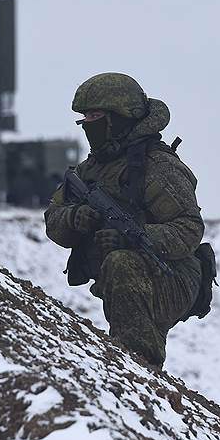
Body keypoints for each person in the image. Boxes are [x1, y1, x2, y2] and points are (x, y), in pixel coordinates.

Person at [44, 72, 204, 369]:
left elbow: (189, 229)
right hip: (126, 275)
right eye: (86, 116)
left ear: (118, 118)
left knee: (121, 263)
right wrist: (75, 218)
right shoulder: (91, 169)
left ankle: (138, 367)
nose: (88, 123)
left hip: (173, 273)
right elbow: (53, 217)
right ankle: (128, 365)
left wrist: (134, 237)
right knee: (120, 265)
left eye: (96, 115)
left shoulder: (158, 167)